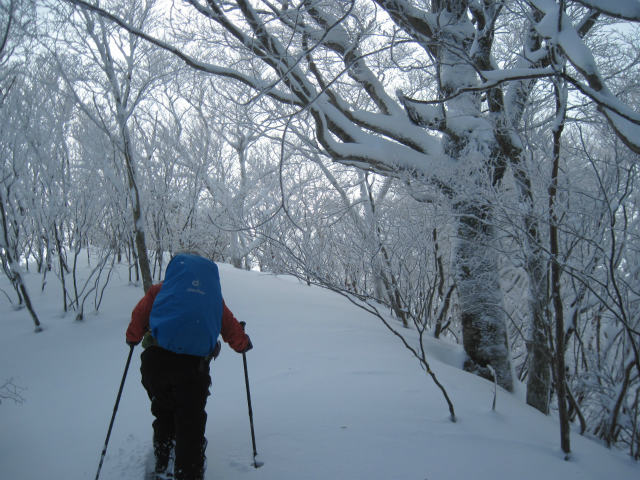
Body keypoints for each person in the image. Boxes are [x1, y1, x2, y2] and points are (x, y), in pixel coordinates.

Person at [126, 253, 252, 480]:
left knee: (163, 411)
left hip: (156, 364)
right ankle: (189, 471)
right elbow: (230, 327)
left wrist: (133, 337)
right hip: (193, 371)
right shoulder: (212, 299)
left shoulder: (161, 290)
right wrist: (242, 343)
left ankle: (163, 460)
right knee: (190, 422)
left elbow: (138, 316)